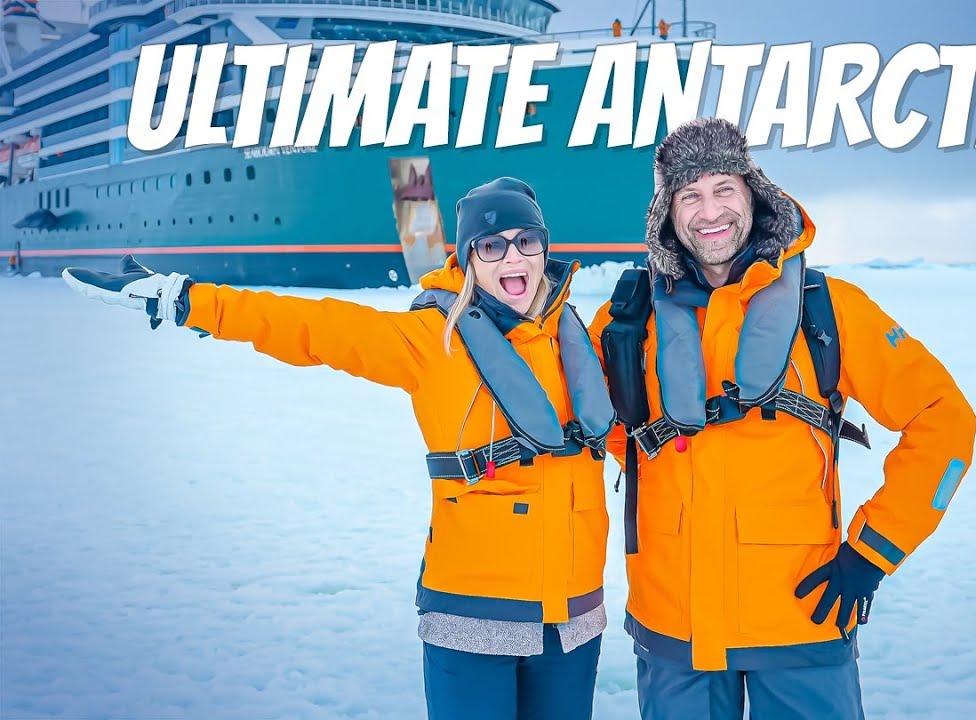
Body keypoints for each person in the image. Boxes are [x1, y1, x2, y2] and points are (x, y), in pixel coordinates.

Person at [63, 177, 615, 720]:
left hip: (572, 621)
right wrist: (188, 302)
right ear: (469, 258)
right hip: (474, 615)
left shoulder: (579, 340)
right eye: (491, 245)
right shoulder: (431, 341)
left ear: (545, 247)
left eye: (526, 240)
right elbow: (314, 327)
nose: (511, 257)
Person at [589, 118, 976, 719]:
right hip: (675, 628)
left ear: (753, 193)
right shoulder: (626, 323)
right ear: (667, 214)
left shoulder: (829, 308)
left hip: (802, 615)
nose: (708, 210)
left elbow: (945, 422)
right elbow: (594, 429)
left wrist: (873, 552)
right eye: (689, 196)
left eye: (723, 189)